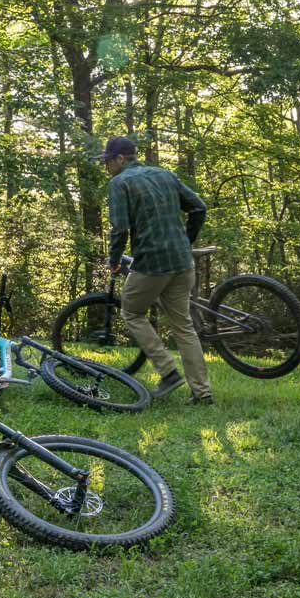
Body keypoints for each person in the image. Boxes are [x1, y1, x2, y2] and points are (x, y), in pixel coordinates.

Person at [99, 136, 213, 405]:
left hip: (152, 263)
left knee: (132, 311)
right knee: (183, 326)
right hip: (183, 262)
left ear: (120, 159)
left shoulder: (119, 183)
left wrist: (114, 259)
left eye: (107, 161)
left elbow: (120, 228)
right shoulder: (165, 175)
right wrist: (186, 240)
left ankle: (168, 371)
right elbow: (199, 207)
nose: (105, 167)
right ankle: (203, 394)